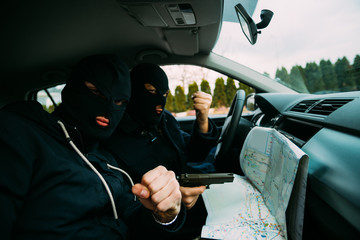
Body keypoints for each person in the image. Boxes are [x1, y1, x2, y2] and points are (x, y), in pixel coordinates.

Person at [0, 55, 185, 240]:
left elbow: (133, 216)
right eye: (95, 92)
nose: (109, 109)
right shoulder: (21, 135)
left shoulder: (107, 159)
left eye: (120, 102)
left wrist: (164, 216)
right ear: (72, 87)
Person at [102, 62, 220, 239]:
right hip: (163, 217)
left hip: (192, 191)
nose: (160, 100)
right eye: (151, 91)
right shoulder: (113, 140)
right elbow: (126, 203)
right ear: (132, 92)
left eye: (165, 94)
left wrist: (202, 119)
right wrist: (168, 203)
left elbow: (191, 152)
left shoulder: (165, 119)